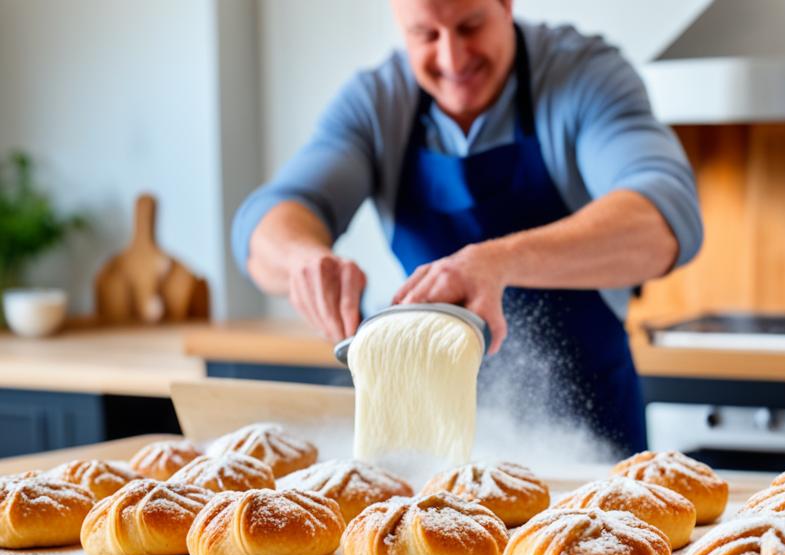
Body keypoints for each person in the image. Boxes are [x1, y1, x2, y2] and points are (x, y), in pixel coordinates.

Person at [232, 0, 703, 456]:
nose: (452, 57)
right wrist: (304, 261)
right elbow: (267, 222)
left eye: (469, 26)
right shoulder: (376, 102)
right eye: (425, 35)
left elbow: (665, 215)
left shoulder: (584, 76)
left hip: (593, 442)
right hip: (425, 444)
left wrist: (498, 261)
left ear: (505, 5)